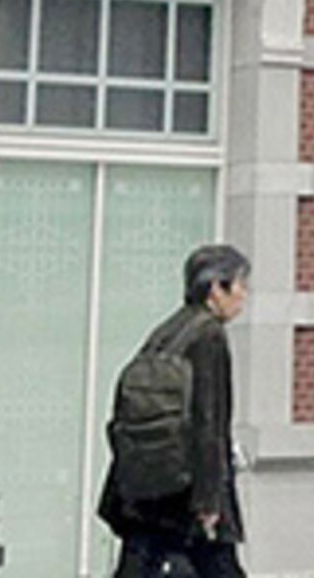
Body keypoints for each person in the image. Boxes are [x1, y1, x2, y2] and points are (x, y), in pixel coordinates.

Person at [103, 242, 252, 576]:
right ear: (216, 288)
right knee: (220, 567)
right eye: (240, 285)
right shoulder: (209, 336)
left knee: (138, 564)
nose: (244, 295)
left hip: (147, 482)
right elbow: (210, 421)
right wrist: (210, 500)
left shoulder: (166, 332)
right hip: (188, 489)